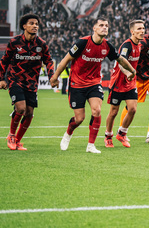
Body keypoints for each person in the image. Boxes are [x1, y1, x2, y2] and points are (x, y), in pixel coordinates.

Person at [50, 17, 136, 154]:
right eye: (101, 25)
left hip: (94, 83)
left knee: (96, 111)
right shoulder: (82, 43)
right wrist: (55, 77)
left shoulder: (107, 46)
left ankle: (91, 145)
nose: (105, 27)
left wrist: (131, 71)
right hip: (76, 84)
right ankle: (68, 134)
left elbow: (120, 59)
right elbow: (66, 60)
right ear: (94, 28)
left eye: (107, 25)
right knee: (79, 118)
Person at [0, 13, 55, 151]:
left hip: (32, 83)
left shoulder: (41, 44)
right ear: (24, 26)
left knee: (29, 112)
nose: (35, 26)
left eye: (36, 24)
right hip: (15, 80)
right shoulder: (14, 42)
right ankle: (11, 135)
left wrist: (52, 76)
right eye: (31, 23)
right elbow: (4, 60)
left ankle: (18, 140)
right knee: (21, 108)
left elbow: (48, 61)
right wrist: (1, 78)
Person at [104, 20, 145, 148]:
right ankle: (108, 136)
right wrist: (127, 73)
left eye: (143, 28)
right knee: (114, 112)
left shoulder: (139, 45)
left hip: (130, 83)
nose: (142, 31)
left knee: (132, 109)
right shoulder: (127, 45)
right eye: (139, 29)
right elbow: (121, 62)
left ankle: (121, 133)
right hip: (118, 82)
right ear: (132, 31)